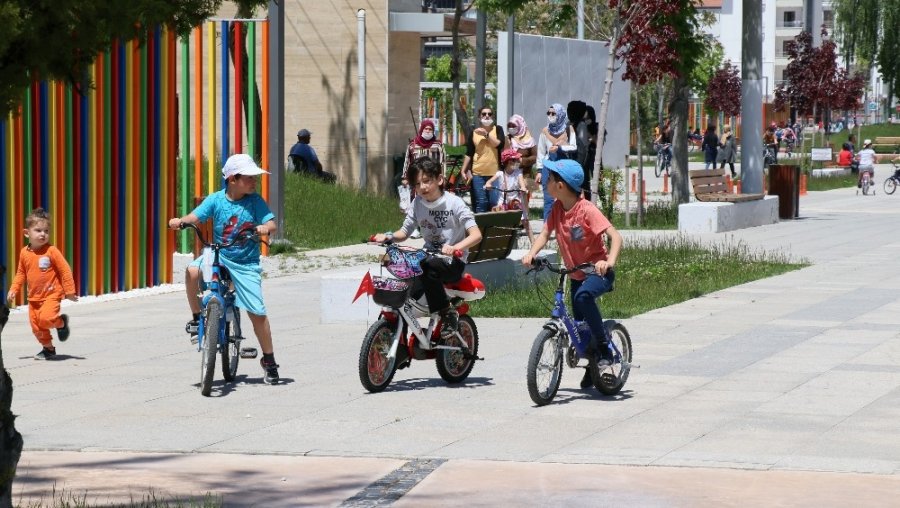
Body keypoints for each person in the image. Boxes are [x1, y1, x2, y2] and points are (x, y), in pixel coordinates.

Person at [167, 153, 282, 385]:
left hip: (245, 263)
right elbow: (195, 216)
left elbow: (272, 224)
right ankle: (196, 317)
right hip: (218, 254)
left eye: (254, 177)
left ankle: (269, 360)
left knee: (257, 312)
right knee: (192, 271)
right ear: (232, 179)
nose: (254, 181)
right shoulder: (216, 200)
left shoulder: (255, 201)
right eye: (249, 177)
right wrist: (181, 221)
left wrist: (264, 228)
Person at [522, 159, 623, 389]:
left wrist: (608, 262)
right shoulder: (557, 208)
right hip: (576, 275)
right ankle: (592, 364)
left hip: (598, 273)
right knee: (579, 326)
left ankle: (605, 350)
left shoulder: (587, 209)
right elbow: (545, 234)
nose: (545, 181)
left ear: (561, 185)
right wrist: (531, 254)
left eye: (549, 178)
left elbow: (615, 237)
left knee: (583, 298)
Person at [373, 157, 482, 338]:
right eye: (417, 184)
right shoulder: (417, 203)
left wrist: (455, 247)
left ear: (439, 179)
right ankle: (398, 342)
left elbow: (476, 235)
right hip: (428, 259)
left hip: (452, 262)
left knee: (426, 266)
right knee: (402, 291)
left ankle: (447, 314)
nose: (422, 187)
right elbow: (405, 231)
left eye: (426, 181)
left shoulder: (455, 203)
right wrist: (389, 237)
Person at [7, 208, 78, 360]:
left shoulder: (52, 251)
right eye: (38, 230)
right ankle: (49, 349)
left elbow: (65, 269)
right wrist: (14, 289)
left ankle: (61, 323)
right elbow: (21, 273)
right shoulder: (24, 253)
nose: (42, 234)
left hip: (52, 294)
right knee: (37, 327)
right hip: (33, 298)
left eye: (46, 230)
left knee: (46, 319)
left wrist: (69, 291)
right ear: (27, 233)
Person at [535, 103, 576, 220]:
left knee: (564, 197)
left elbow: (573, 146)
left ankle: (563, 225)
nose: (550, 115)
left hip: (564, 166)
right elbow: (541, 151)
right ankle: (547, 228)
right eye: (549, 113)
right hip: (548, 166)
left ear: (561, 114)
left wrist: (560, 148)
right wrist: (539, 170)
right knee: (548, 198)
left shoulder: (569, 129)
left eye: (554, 113)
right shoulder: (545, 130)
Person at [462, 106, 505, 213]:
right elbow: (469, 153)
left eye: (489, 114)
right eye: (484, 114)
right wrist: (463, 170)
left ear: (493, 116)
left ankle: (493, 229)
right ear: (479, 117)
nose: (487, 116)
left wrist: (486, 135)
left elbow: (499, 145)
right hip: (478, 173)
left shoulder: (498, 129)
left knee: (494, 204)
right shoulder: (473, 133)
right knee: (481, 202)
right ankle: (480, 229)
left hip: (495, 174)